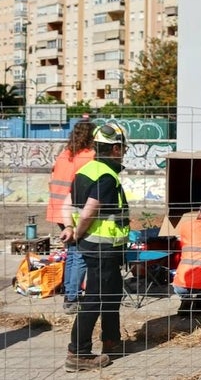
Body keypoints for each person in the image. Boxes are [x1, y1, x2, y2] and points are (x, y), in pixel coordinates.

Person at [60, 122, 130, 372]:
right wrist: (77, 232)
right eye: (122, 148)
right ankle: (78, 352)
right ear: (114, 149)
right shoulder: (106, 176)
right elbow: (91, 208)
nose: (124, 152)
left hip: (101, 248)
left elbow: (67, 201)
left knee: (111, 293)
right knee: (95, 299)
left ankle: (111, 341)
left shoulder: (86, 170)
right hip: (101, 248)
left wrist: (68, 227)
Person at [48, 120, 95, 314]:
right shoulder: (89, 156)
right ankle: (72, 298)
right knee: (80, 256)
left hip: (57, 210)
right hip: (74, 211)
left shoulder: (64, 154)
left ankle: (69, 292)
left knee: (72, 253)